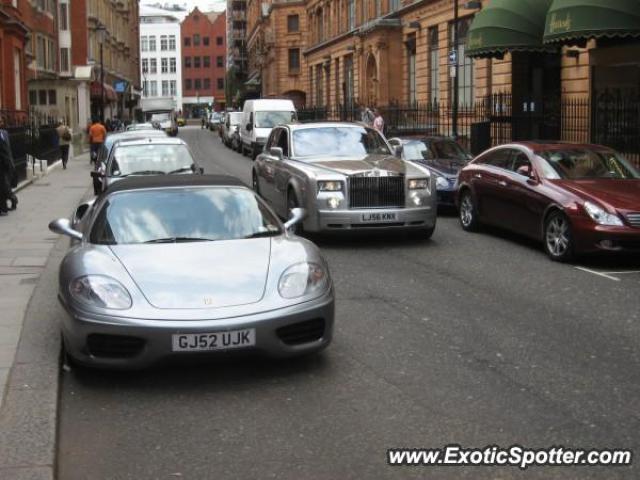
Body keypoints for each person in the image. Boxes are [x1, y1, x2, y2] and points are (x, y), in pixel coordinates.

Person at [0, 117, 17, 214]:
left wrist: (10, 163)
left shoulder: (4, 133)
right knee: (4, 186)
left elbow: (7, 150)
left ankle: (11, 200)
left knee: (4, 186)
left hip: (4, 165)